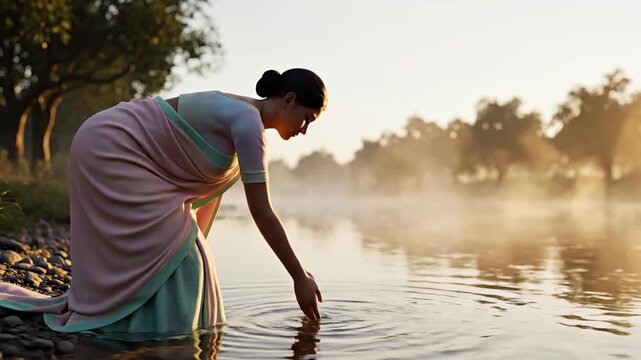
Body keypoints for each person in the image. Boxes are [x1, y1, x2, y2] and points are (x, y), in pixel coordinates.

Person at [0, 68, 327, 338]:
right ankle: (142, 333)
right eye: (307, 118)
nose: (305, 130)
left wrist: (186, 242)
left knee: (190, 258)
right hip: (111, 145)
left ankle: (152, 335)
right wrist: (298, 276)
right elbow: (262, 211)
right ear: (289, 99)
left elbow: (200, 190)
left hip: (124, 152)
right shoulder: (247, 122)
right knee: (186, 261)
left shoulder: (247, 119)